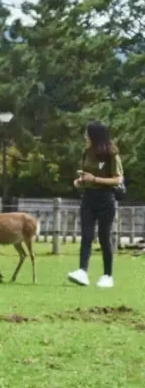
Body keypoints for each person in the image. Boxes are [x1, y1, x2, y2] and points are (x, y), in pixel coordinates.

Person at [67, 121, 124, 288]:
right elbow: (87, 174)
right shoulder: (86, 152)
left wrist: (95, 179)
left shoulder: (112, 155)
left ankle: (107, 275)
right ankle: (82, 271)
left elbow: (117, 179)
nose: (85, 136)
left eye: (87, 133)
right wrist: (81, 181)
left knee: (104, 237)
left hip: (106, 198)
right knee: (86, 235)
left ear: (95, 135)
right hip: (88, 197)